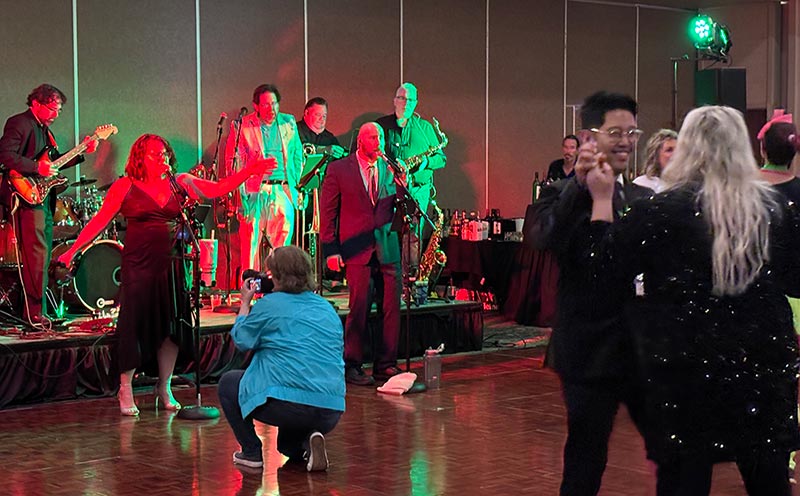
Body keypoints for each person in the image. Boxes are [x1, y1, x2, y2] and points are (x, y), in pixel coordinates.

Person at [584, 105, 800, 495]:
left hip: (683, 362)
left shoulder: (658, 212)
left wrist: (601, 202)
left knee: (684, 477)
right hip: (759, 360)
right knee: (767, 477)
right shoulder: (773, 211)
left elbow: (602, 274)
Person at [57, 134, 275, 416]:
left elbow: (217, 188)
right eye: (154, 154)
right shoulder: (126, 185)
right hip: (138, 266)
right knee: (134, 326)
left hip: (172, 265)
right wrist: (72, 250)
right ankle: (125, 387)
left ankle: (165, 385)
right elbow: (100, 220)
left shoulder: (179, 182)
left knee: (172, 328)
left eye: (164, 154)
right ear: (140, 158)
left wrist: (250, 170)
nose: (161, 158)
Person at [528, 91, 651, 495]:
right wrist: (578, 188)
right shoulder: (559, 195)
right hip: (586, 349)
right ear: (588, 137)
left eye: (632, 133)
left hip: (638, 346)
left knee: (673, 447)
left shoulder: (641, 199)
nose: (626, 142)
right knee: (586, 455)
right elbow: (542, 239)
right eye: (616, 132)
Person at [218, 246, 345, 472]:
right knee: (285, 446)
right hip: (330, 408)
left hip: (289, 404)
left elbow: (242, 340)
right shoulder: (326, 308)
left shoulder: (269, 306)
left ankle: (251, 452)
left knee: (229, 383)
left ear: (276, 276)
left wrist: (245, 303)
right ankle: (308, 443)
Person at [0, 84, 98, 323]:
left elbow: (54, 165)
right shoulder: (20, 123)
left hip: (41, 198)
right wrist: (36, 167)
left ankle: (38, 312)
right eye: (52, 108)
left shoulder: (45, 131)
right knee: (36, 256)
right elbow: (5, 155)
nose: (56, 114)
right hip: (25, 197)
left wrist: (82, 152)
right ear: (35, 103)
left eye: (59, 110)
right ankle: (34, 314)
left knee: (41, 257)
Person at [320, 122, 402, 386]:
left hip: (387, 248)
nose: (379, 142)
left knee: (391, 309)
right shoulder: (339, 169)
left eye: (381, 137)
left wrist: (403, 183)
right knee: (359, 308)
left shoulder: (390, 169)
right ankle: (352, 365)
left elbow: (402, 206)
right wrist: (331, 250)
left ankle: (386, 364)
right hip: (357, 250)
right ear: (360, 141)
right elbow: (328, 213)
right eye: (373, 137)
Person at [225, 84, 303, 271]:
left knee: (281, 245)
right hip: (256, 190)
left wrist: (296, 183)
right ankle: (250, 285)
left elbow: (297, 155)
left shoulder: (288, 122)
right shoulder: (243, 125)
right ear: (256, 106)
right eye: (266, 104)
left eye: (274, 103)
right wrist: (240, 196)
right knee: (251, 243)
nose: (271, 108)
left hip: (283, 189)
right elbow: (233, 163)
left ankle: (277, 283)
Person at [376, 82, 446, 276]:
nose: (406, 103)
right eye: (402, 98)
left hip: (417, 189)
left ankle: (411, 278)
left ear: (416, 103)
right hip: (389, 188)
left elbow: (441, 159)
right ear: (394, 101)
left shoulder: (425, 128)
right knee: (385, 233)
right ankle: (387, 278)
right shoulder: (381, 125)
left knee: (413, 235)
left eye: (410, 99)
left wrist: (424, 163)